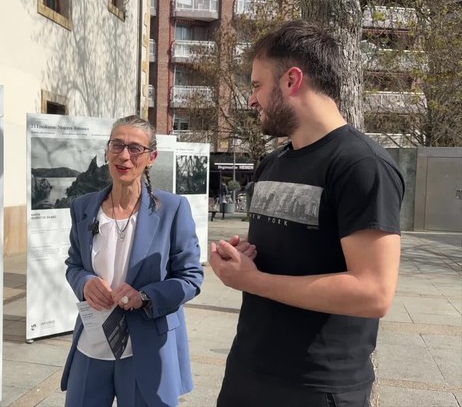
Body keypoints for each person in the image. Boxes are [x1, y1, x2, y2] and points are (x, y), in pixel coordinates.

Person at [208, 20, 405, 407]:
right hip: (247, 370)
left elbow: (374, 293)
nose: (251, 100)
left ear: (292, 80)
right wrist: (241, 258)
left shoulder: (362, 165)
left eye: (256, 85)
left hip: (318, 386)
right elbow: (289, 252)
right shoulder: (272, 163)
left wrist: (254, 280)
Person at [60, 115, 204, 407]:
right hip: (93, 344)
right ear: (107, 150)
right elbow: (74, 265)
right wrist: (85, 283)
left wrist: (145, 296)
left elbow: (190, 277)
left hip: (146, 349)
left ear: (151, 157)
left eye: (135, 148)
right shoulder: (83, 207)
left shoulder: (172, 209)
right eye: (117, 145)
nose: (124, 155)